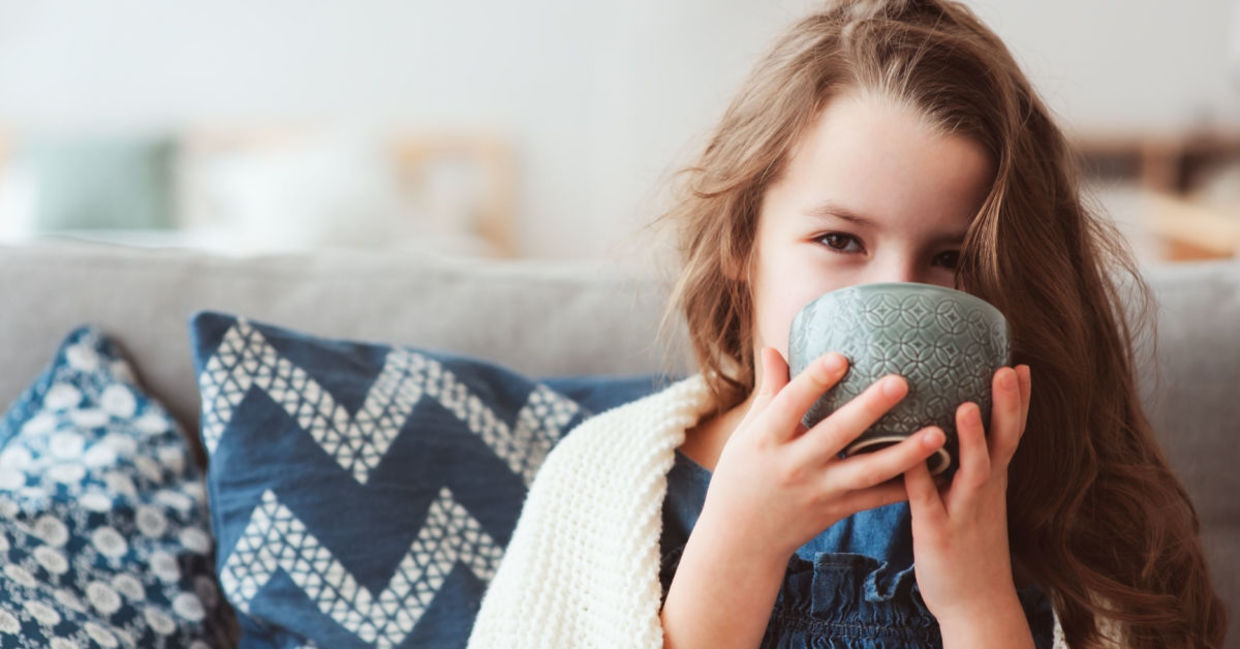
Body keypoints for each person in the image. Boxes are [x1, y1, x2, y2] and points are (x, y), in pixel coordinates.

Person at [465, 1, 1228, 648]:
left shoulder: (1071, 500)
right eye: (839, 241)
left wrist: (977, 602)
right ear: (742, 241)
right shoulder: (604, 481)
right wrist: (737, 550)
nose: (895, 290)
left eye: (951, 255)